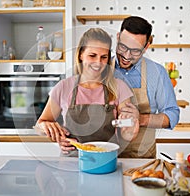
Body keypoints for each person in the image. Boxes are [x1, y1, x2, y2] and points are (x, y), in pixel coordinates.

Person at [35, 28, 139, 156]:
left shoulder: (119, 87)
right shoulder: (63, 87)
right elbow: (40, 125)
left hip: (107, 161)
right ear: (81, 54)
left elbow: (126, 132)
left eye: (104, 57)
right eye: (92, 55)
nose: (98, 63)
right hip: (71, 163)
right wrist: (47, 128)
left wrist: (130, 131)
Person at [114, 16, 180, 158]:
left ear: (146, 48)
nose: (126, 55)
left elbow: (172, 115)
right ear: (118, 37)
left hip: (142, 158)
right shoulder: (101, 69)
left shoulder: (157, 73)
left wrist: (140, 119)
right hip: (105, 155)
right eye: (123, 47)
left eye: (135, 50)